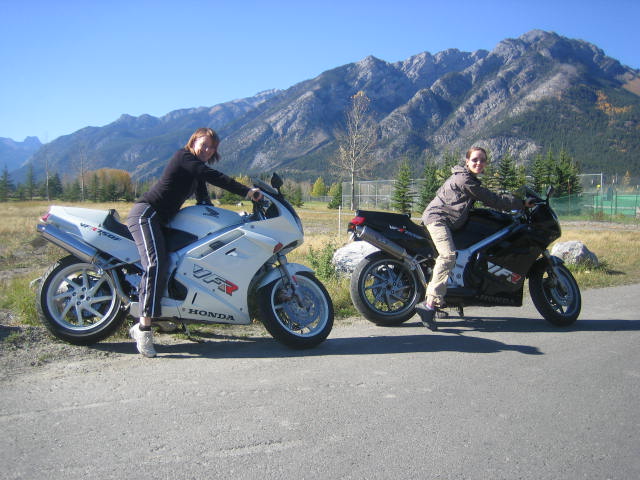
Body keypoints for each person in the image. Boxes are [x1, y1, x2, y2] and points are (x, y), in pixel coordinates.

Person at [126, 127, 262, 357]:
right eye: (204, 144)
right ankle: (144, 329)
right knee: (155, 265)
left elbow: (204, 201)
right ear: (193, 141)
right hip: (146, 215)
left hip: (162, 222)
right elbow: (214, 177)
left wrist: (228, 219)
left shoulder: (195, 169)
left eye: (212, 148)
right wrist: (247, 192)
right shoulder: (184, 157)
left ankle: (163, 313)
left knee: (176, 261)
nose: (207, 150)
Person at [416, 147, 535, 331]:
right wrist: (521, 203)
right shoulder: (465, 179)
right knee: (448, 256)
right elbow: (491, 199)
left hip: (446, 220)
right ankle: (429, 305)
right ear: (467, 161)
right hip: (438, 219)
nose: (479, 163)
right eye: (475, 160)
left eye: (482, 160)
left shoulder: (466, 178)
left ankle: (444, 300)